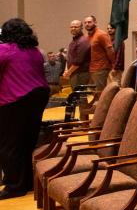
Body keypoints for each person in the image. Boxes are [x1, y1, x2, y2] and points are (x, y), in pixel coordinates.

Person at [0, 18, 51, 199]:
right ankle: (26, 182)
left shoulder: (5, 49)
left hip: (16, 99)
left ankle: (14, 186)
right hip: (38, 97)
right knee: (27, 142)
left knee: (9, 143)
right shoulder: (35, 51)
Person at [84, 15, 115, 91]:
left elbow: (110, 50)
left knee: (99, 93)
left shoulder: (101, 34)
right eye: (85, 23)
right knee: (90, 94)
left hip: (101, 68)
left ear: (95, 23)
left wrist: (113, 65)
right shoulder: (87, 36)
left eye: (89, 22)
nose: (87, 24)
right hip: (90, 69)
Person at [62, 19, 90, 88]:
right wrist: (66, 70)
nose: (73, 28)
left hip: (81, 74)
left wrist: (68, 72)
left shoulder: (83, 41)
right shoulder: (74, 41)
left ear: (81, 28)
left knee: (80, 96)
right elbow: (69, 57)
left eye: (76, 27)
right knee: (76, 96)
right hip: (74, 73)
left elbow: (78, 61)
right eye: (72, 27)